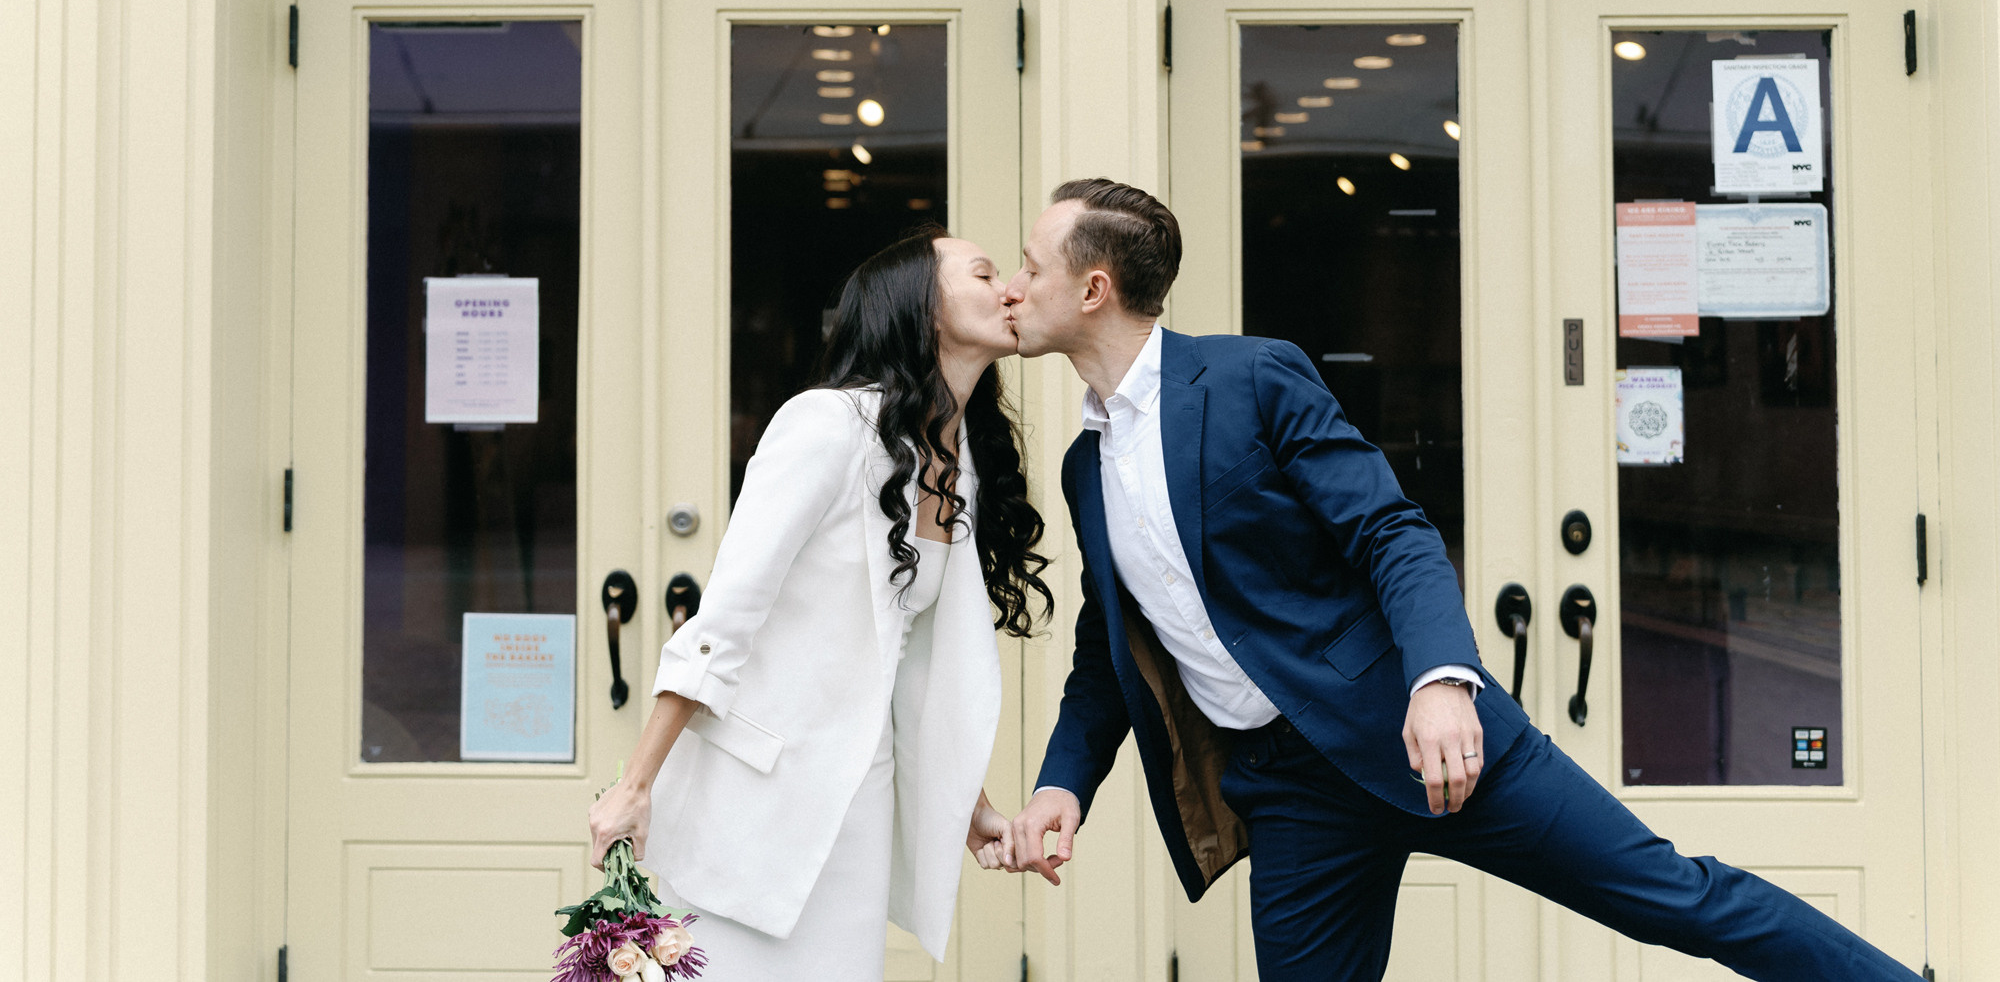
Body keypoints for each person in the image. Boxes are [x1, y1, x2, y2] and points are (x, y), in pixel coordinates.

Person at [998, 178, 1920, 982]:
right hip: (1288, 787)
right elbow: (1107, 641)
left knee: (1678, 897)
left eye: (1030, 265)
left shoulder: (1250, 377)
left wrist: (1441, 681)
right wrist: (1060, 785)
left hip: (1424, 734)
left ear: (1093, 288)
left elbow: (1392, 531)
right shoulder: (1090, 465)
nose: (1014, 284)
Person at [586, 226, 1049, 981]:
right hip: (754, 811)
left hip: (856, 816)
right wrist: (635, 787)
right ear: (921, 305)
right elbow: (724, 620)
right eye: (984, 273)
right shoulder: (824, 425)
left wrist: (972, 808)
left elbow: (903, 665)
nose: (1010, 289)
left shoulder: (957, 467)